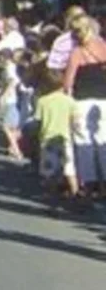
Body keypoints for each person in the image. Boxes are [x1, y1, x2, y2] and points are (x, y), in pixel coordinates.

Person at [63, 14, 106, 193]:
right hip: (103, 100)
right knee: (103, 141)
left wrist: (67, 98)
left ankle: (89, 182)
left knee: (83, 143)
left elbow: (68, 82)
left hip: (81, 101)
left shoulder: (76, 52)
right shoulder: (103, 47)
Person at [36, 69, 77, 203]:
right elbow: (74, 119)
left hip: (47, 138)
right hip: (66, 137)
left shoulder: (42, 101)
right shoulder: (70, 101)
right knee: (69, 168)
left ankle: (52, 195)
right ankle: (75, 193)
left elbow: (38, 120)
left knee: (50, 170)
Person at [0, 51, 25, 163]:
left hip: (12, 99)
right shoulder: (10, 67)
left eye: (0, 58)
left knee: (7, 127)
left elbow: (12, 81)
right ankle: (13, 147)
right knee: (13, 126)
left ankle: (17, 151)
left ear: (5, 58)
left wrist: (4, 95)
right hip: (12, 98)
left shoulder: (9, 68)